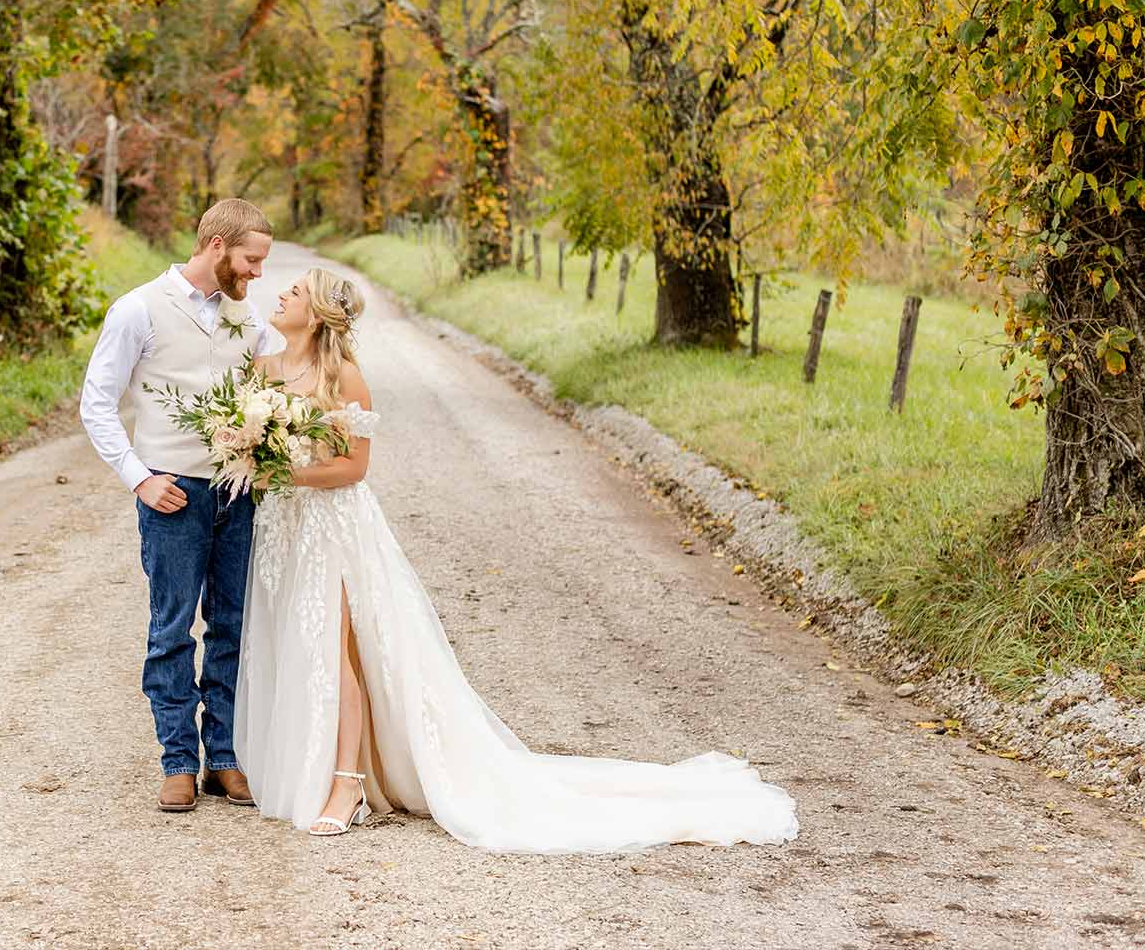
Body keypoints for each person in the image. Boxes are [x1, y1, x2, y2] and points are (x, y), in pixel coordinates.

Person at [235, 267, 800, 851]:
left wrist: (286, 471)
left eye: (295, 291)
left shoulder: (345, 378)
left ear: (320, 313)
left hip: (333, 526)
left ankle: (348, 785)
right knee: (298, 641)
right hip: (285, 527)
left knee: (337, 649)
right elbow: (252, 439)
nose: (280, 294)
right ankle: (312, 764)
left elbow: (354, 468)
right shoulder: (265, 369)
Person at [79, 198, 276, 812]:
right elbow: (97, 402)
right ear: (216, 245)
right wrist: (139, 478)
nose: (257, 274)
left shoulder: (249, 319)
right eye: (251, 259)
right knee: (170, 629)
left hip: (236, 492)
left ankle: (224, 756)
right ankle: (178, 760)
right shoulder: (138, 309)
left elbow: (288, 372)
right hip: (171, 494)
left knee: (231, 627)